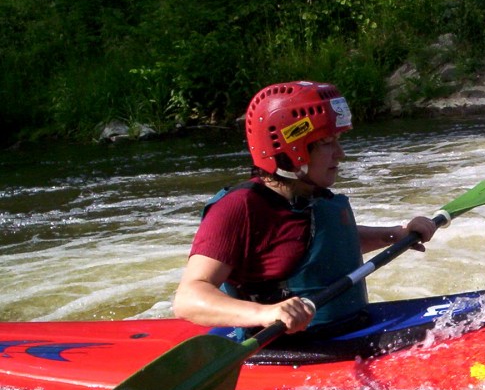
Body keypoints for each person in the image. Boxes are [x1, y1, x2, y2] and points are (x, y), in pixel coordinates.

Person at [173, 81, 438, 336]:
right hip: (290, 347)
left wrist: (394, 234)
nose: (340, 153)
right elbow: (188, 298)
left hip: (351, 329)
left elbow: (326, 248)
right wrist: (266, 313)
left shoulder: (310, 194)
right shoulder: (239, 207)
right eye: (327, 142)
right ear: (291, 149)